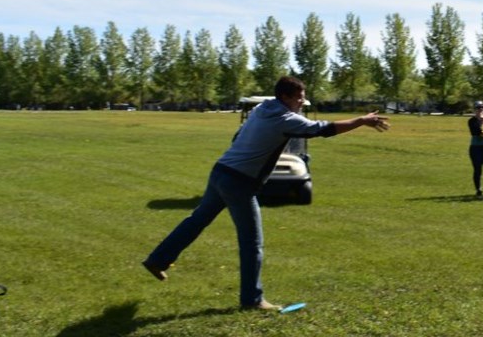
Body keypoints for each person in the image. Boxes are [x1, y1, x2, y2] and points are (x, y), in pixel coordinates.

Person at [141, 76, 390, 310]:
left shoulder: (263, 108)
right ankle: (252, 299)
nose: (302, 102)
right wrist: (360, 121)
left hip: (221, 172)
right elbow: (322, 129)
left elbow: (237, 136)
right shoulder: (284, 118)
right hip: (239, 182)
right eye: (299, 98)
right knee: (252, 243)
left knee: (197, 220)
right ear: (285, 97)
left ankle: (158, 258)